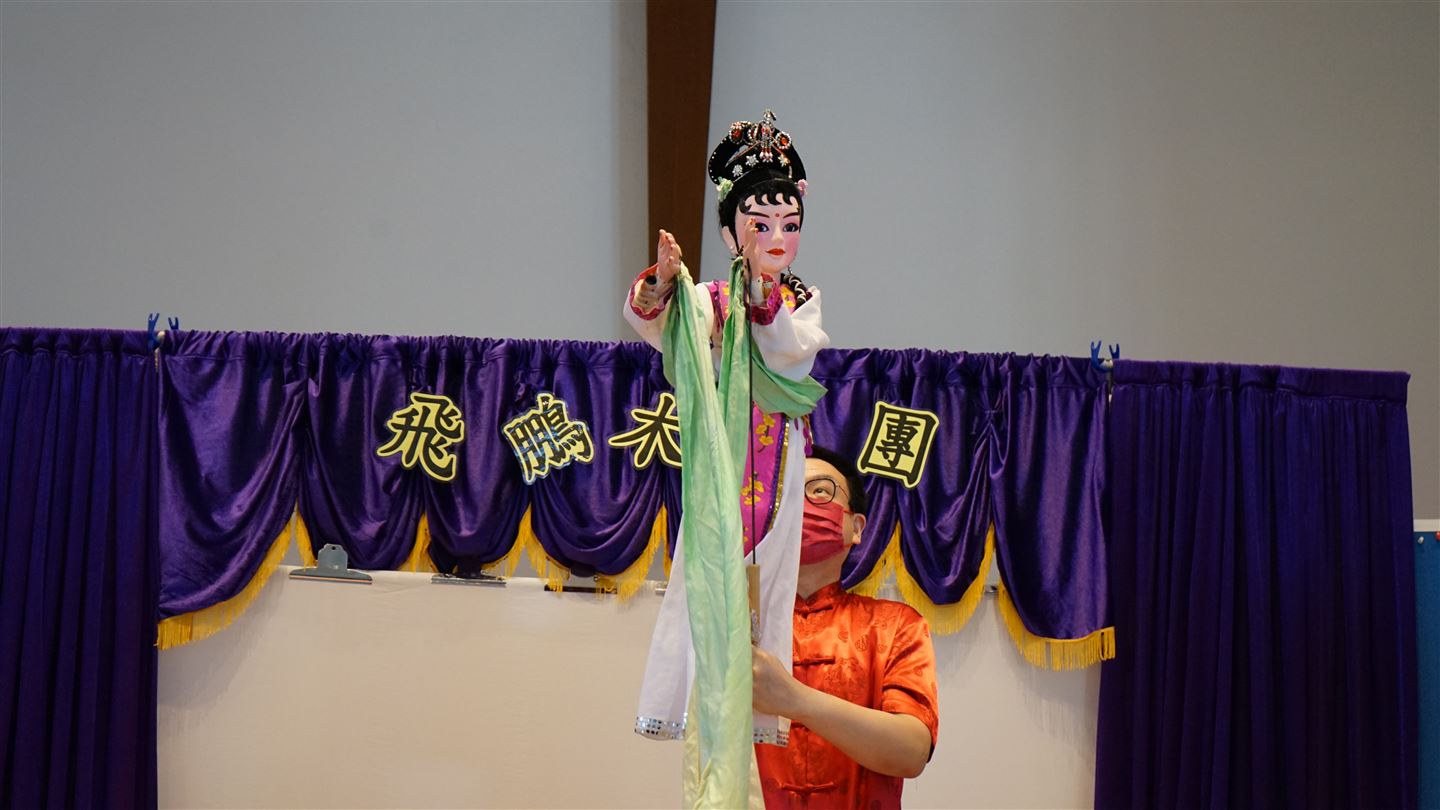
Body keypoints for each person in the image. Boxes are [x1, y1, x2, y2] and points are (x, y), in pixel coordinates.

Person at [630, 110, 829, 749]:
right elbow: (669, 327)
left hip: (780, 450)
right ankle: (686, 699)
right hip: (723, 449)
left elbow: (792, 354)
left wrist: (764, 302)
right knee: (705, 559)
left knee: (774, 573)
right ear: (730, 231)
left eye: (789, 225)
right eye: (760, 224)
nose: (777, 236)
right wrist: (665, 281)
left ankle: (762, 706)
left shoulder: (800, 300)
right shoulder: (714, 297)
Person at [751, 445, 939, 808]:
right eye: (786, 494)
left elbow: (911, 751)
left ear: (856, 527)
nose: (800, 504)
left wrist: (795, 700)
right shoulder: (738, 623)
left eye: (820, 491)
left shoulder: (896, 625)